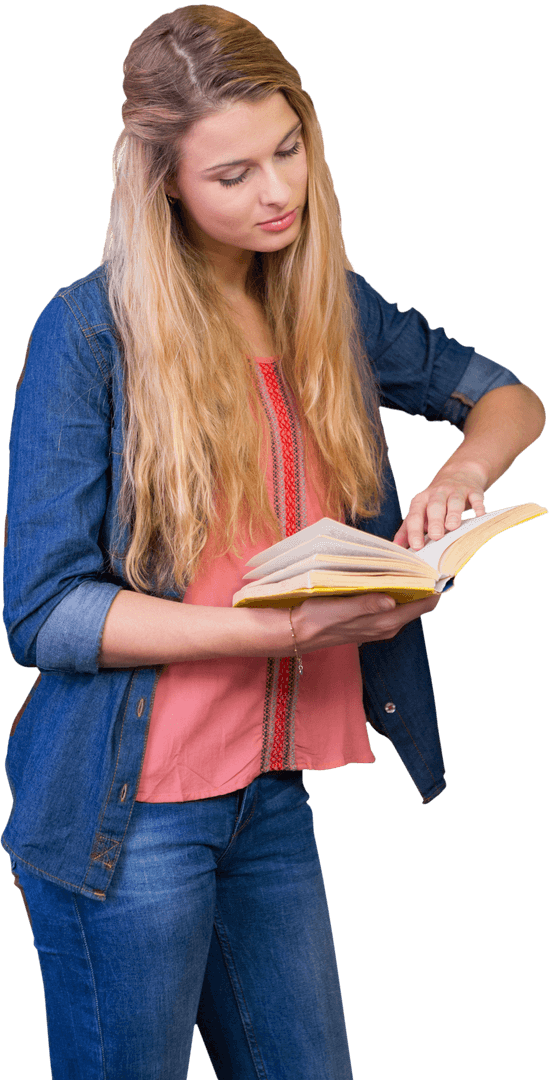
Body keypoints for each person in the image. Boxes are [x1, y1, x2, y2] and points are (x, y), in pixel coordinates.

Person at [2, 6, 545, 1078]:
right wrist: (283, 630)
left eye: (288, 148)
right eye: (234, 174)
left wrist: (459, 477)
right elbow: (42, 610)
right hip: (127, 815)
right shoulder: (91, 331)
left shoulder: (325, 306)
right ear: (163, 183)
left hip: (269, 802)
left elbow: (508, 396)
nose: (277, 192)